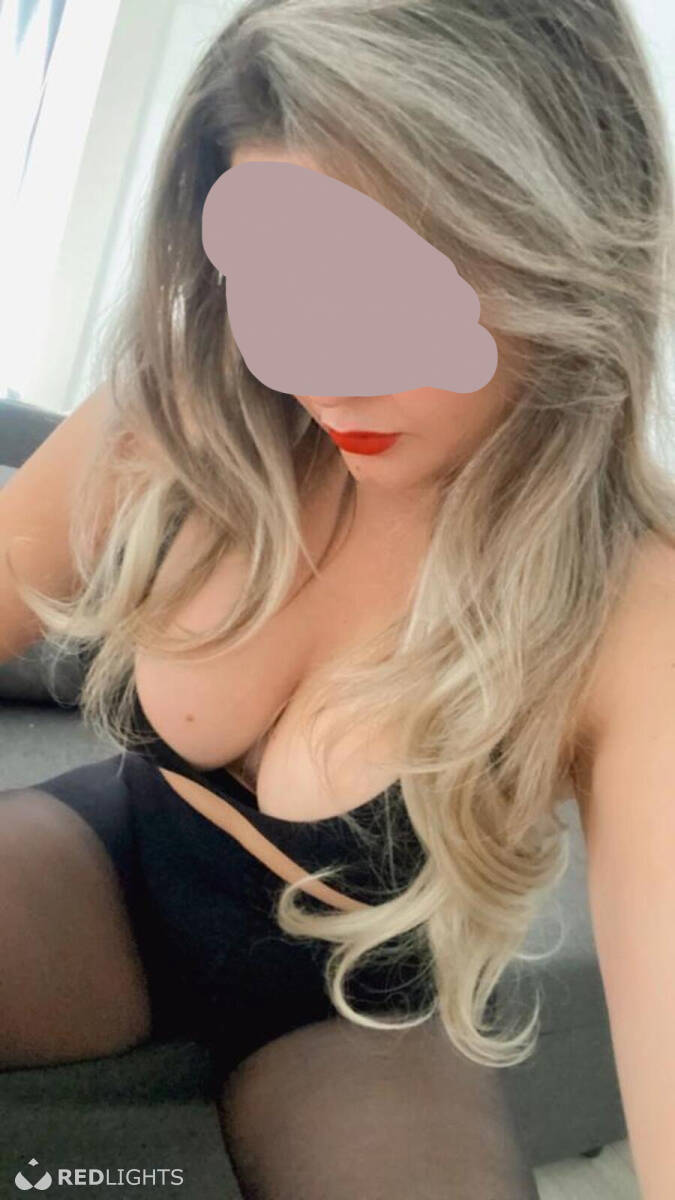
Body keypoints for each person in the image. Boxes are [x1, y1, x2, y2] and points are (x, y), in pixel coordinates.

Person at [2, 0, 675, 1196]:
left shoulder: (628, 608)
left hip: (353, 1018)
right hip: (108, 879)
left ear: (564, 247)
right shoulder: (190, 413)